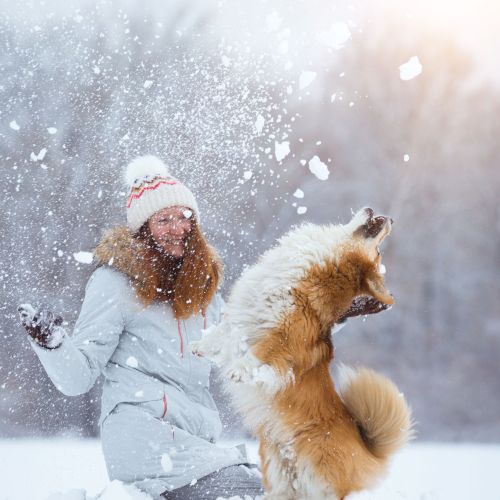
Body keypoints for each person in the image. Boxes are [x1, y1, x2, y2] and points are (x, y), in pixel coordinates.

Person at [18, 155, 388, 499]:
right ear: (143, 228)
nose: (176, 228)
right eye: (163, 220)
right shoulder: (114, 284)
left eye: (183, 217)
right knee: (251, 492)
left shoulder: (201, 291)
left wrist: (333, 314)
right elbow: (77, 378)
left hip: (202, 445)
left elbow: (250, 344)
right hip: (145, 444)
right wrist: (51, 343)